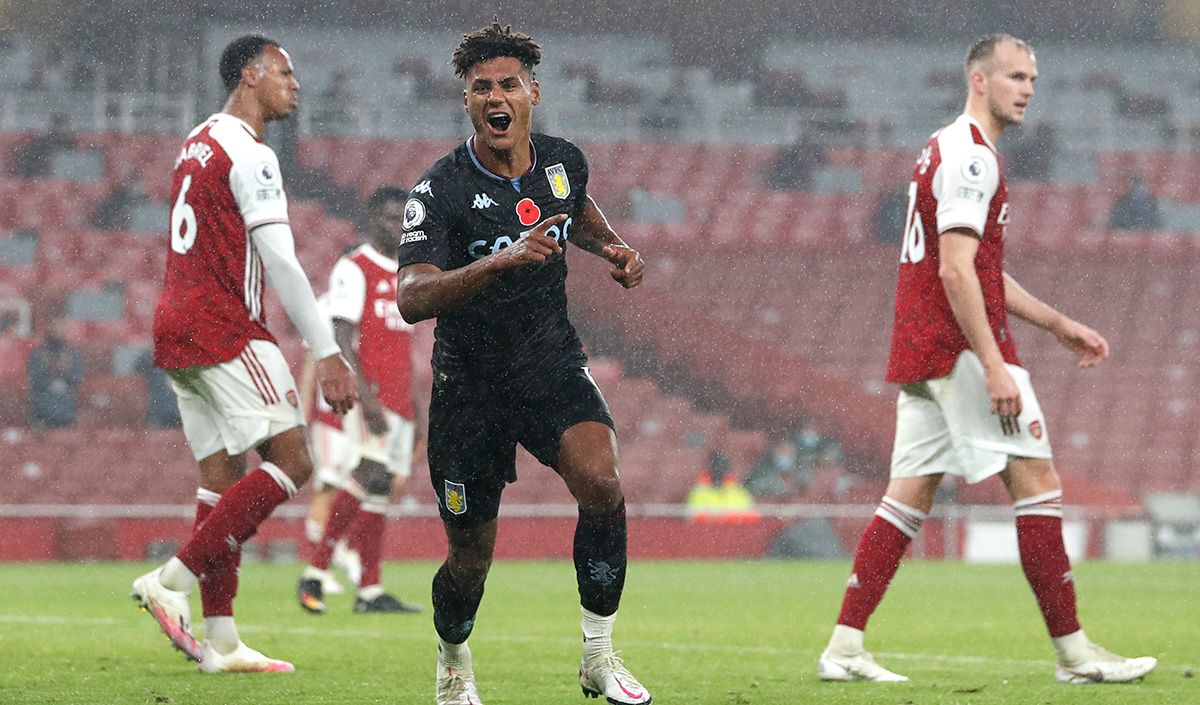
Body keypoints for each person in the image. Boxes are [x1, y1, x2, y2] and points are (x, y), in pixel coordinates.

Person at [815, 34, 1157, 685]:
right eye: (1015, 76)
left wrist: (1057, 323)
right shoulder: (972, 158)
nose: (1027, 89)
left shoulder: (943, 147)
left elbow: (978, 268)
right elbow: (955, 270)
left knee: (908, 494)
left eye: (1032, 79)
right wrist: (995, 363)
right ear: (979, 80)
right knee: (1037, 482)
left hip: (923, 348)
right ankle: (1076, 655)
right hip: (960, 351)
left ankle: (845, 646)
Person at [394, 21, 651, 705]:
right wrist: (498, 260)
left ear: (533, 94)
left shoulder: (563, 161)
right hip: (468, 387)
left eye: (508, 84)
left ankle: (599, 655)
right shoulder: (439, 190)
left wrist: (613, 247)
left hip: (549, 365)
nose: (495, 97)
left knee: (602, 480)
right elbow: (411, 298)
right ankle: (453, 660)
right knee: (469, 560)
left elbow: (575, 209)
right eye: (481, 88)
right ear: (467, 102)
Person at [129, 35, 356, 674]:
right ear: (250, 75)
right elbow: (281, 260)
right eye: (284, 72)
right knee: (294, 461)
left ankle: (222, 641)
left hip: (175, 325)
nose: (295, 84)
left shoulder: (196, 140)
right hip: (225, 327)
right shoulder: (250, 152)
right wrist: (326, 350)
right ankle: (171, 579)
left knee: (221, 478)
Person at [297, 185, 422, 615]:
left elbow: (402, 346)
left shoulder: (407, 272)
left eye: (403, 218)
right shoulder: (354, 268)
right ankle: (314, 572)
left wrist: (417, 408)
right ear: (372, 220)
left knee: (381, 487)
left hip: (401, 397)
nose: (397, 226)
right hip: (373, 395)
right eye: (389, 217)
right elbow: (342, 337)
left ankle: (369, 590)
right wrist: (366, 398)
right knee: (369, 471)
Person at [26, 319, 83, 428]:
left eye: (59, 331)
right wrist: (50, 376)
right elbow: (35, 379)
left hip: (67, 413)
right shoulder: (38, 354)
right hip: (42, 412)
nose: (56, 334)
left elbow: (76, 378)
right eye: (53, 331)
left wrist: (64, 373)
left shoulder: (72, 354)